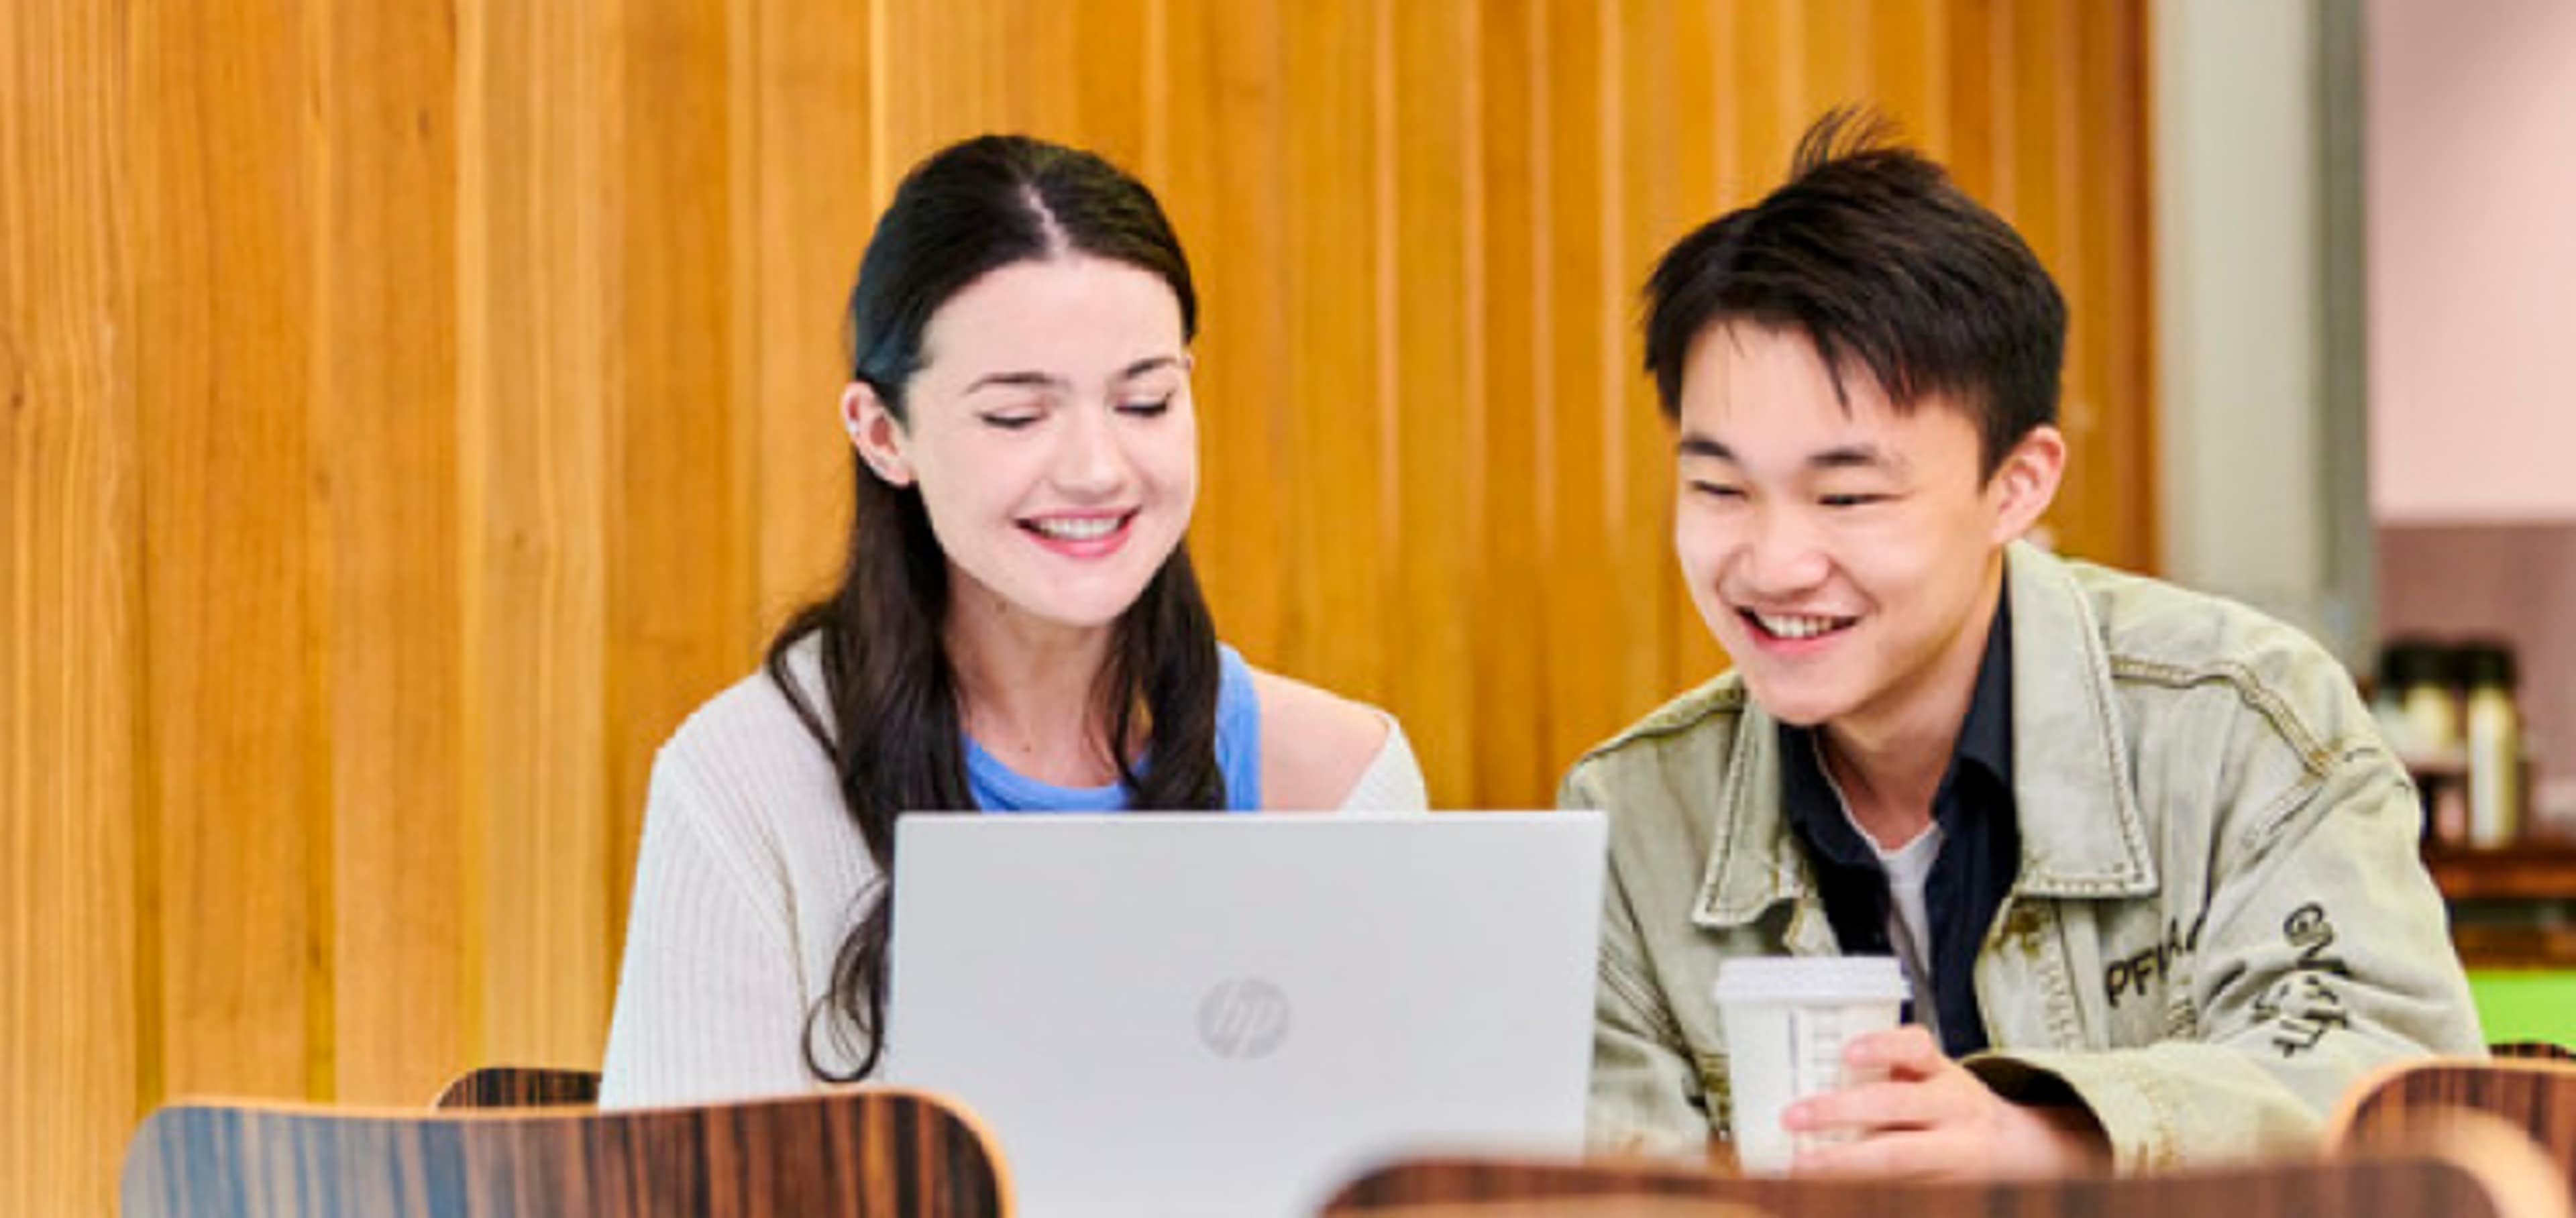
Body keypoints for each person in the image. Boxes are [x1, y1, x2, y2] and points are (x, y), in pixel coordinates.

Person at [1568, 111, 2481, 1176]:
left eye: (1849, 494)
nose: (1774, 563)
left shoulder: (2241, 723)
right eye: (1718, 488)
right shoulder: (1630, 821)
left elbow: (2399, 1093)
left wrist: (2052, 1139)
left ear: (2018, 485)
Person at [600, 134, 1429, 1107]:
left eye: (1147, 401)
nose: (1096, 467)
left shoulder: (1342, 786)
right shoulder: (745, 786)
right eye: (1016, 417)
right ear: (883, 433)